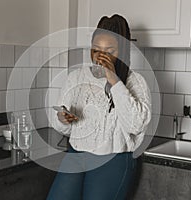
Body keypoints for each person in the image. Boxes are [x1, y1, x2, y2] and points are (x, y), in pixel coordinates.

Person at [47, 14, 151, 200]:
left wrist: (113, 78)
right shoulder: (76, 77)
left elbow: (136, 125)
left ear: (123, 51)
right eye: (96, 50)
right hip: (76, 155)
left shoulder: (135, 82)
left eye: (109, 51)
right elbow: (61, 126)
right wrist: (63, 118)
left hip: (113, 159)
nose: (101, 56)